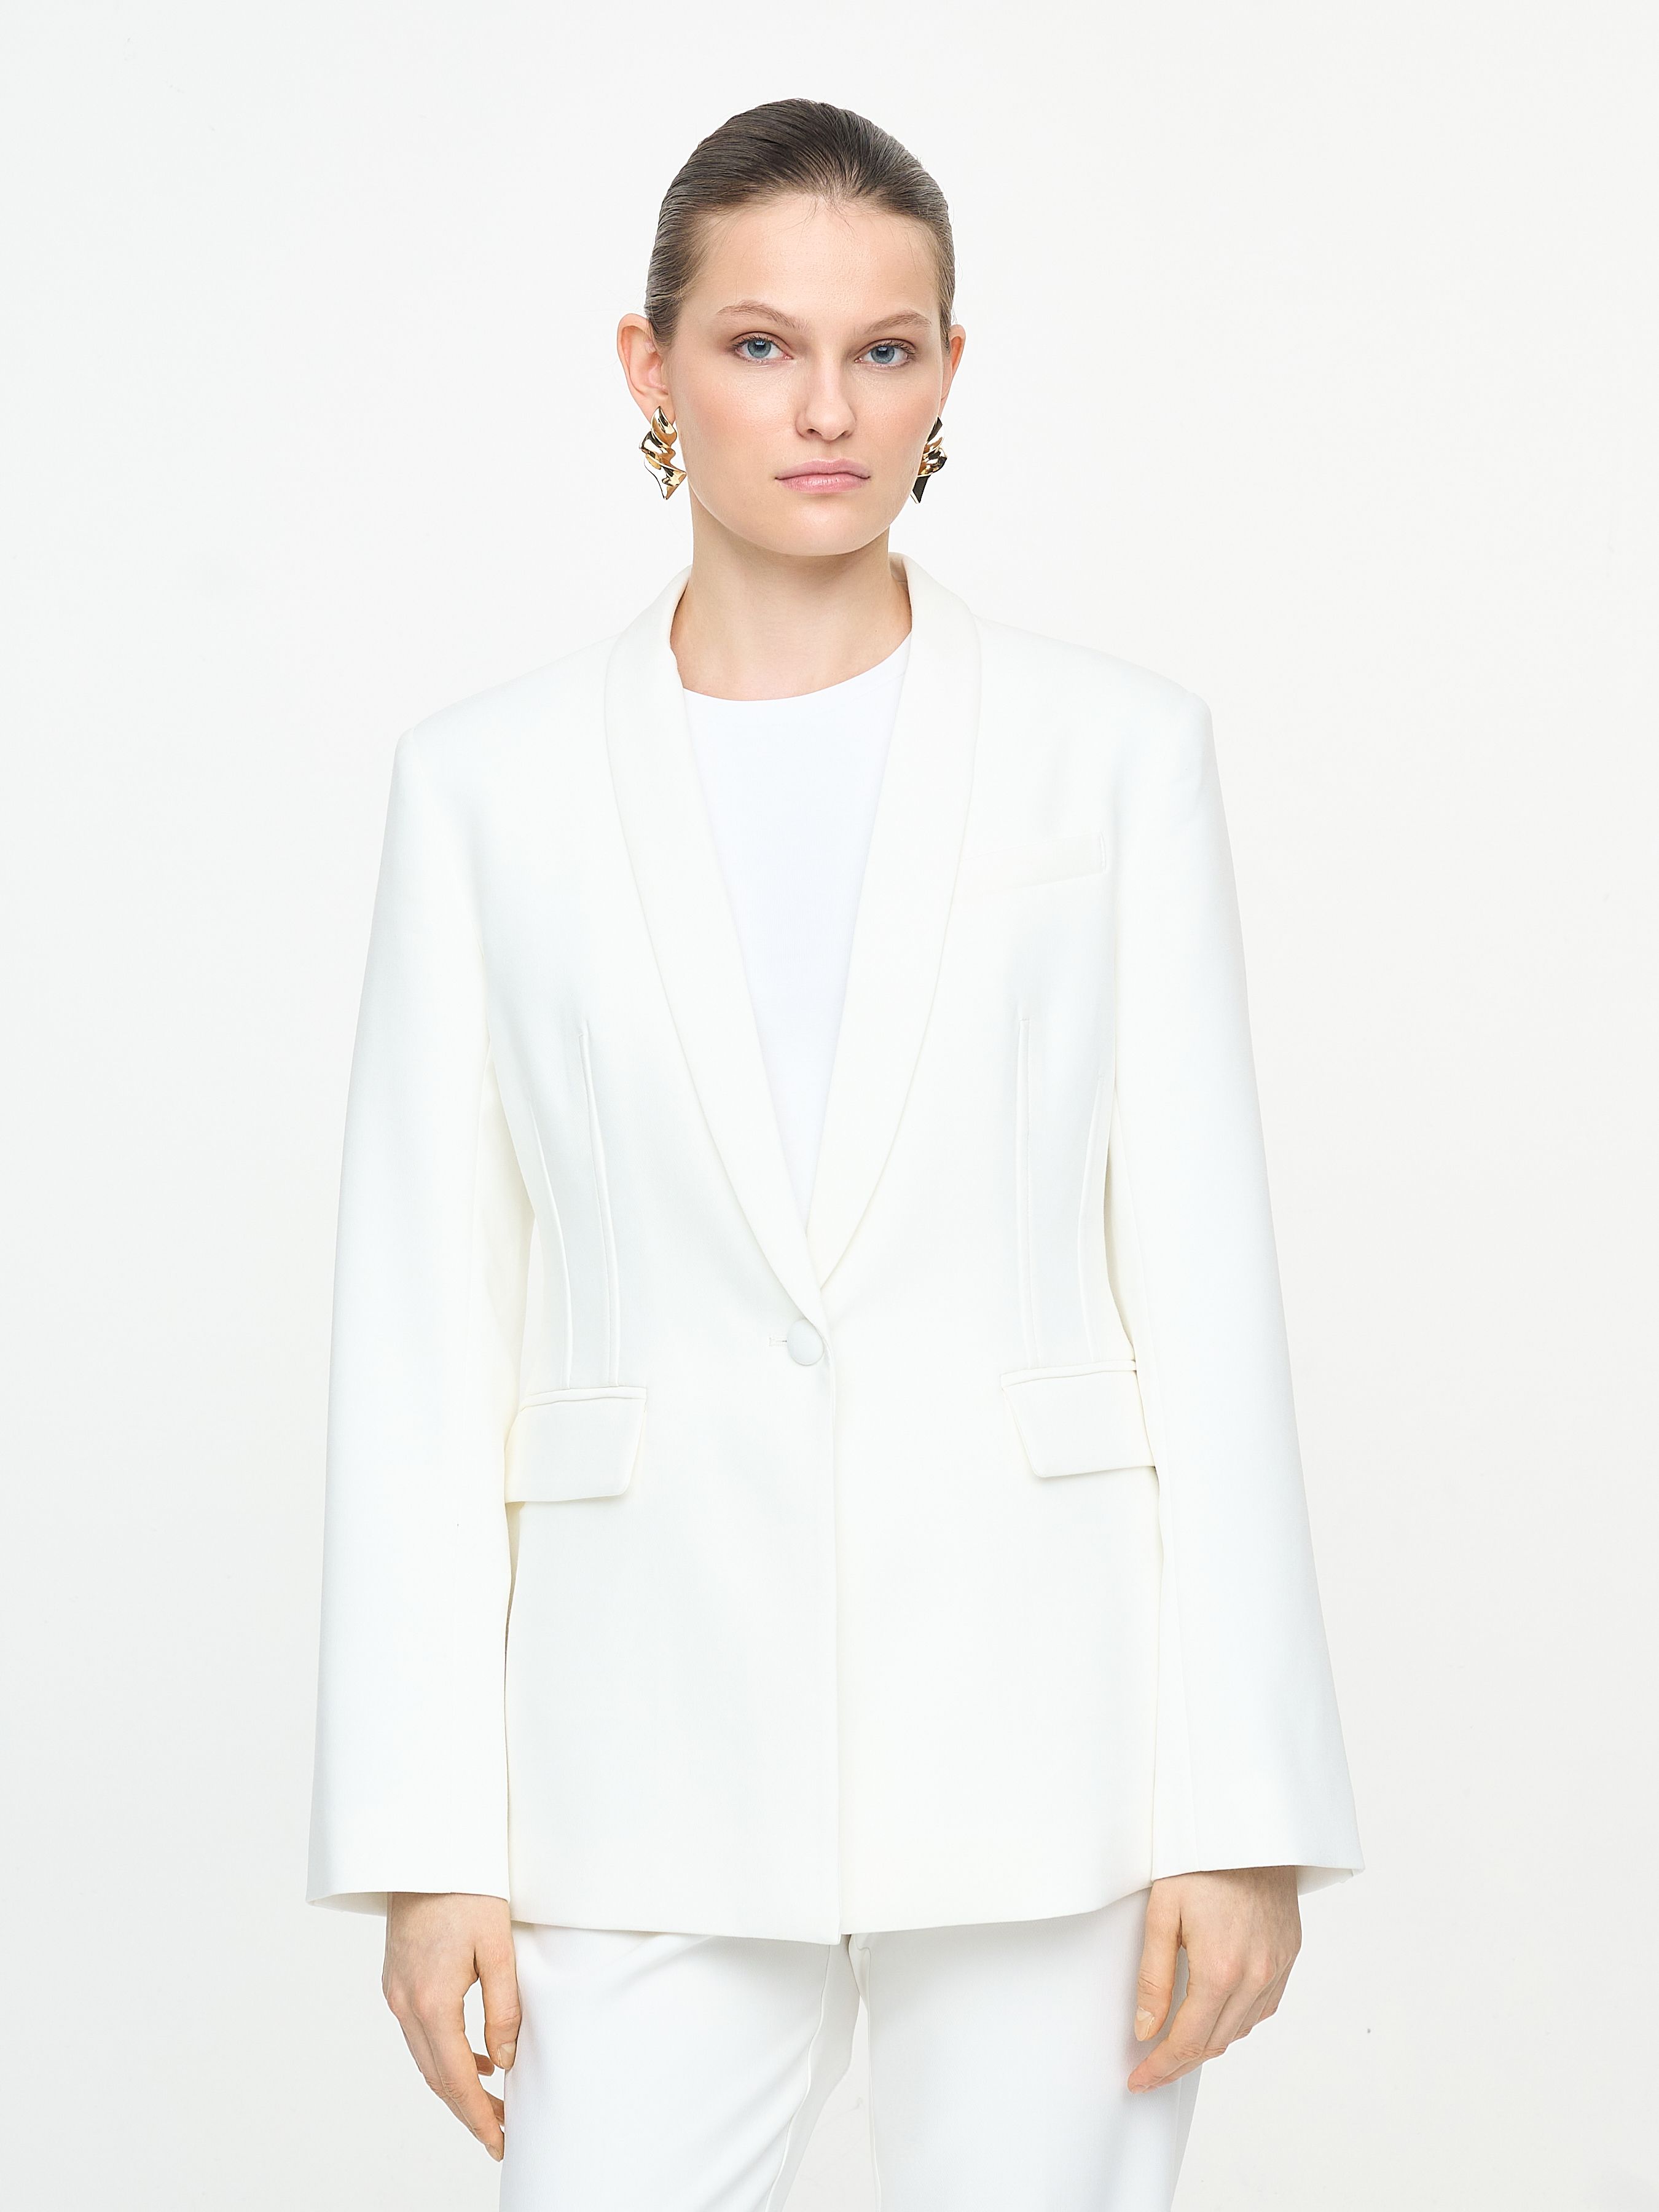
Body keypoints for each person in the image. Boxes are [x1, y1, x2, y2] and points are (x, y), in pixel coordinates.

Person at [306, 97, 1363, 2211]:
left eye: (883, 351)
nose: (825, 409)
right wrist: (427, 1849)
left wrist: (1241, 1806)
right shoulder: (485, 788)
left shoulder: (1112, 756)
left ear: (947, 373)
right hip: (633, 1742)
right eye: (759, 346)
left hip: (1053, 1734)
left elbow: (1204, 1280)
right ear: (650, 365)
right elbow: (424, 1326)